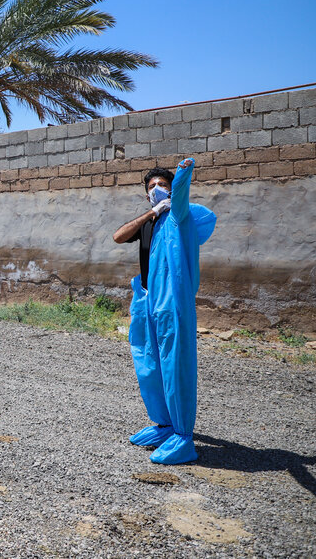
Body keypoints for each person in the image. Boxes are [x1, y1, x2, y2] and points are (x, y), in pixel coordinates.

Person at [113, 158, 216, 464]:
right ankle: (164, 424)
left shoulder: (178, 218)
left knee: (174, 367)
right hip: (146, 301)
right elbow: (118, 236)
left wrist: (183, 174)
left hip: (172, 304)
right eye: (152, 187)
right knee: (148, 365)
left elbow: (182, 195)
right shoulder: (152, 220)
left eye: (162, 185)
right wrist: (151, 213)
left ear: (171, 191)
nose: (157, 190)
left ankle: (183, 437)